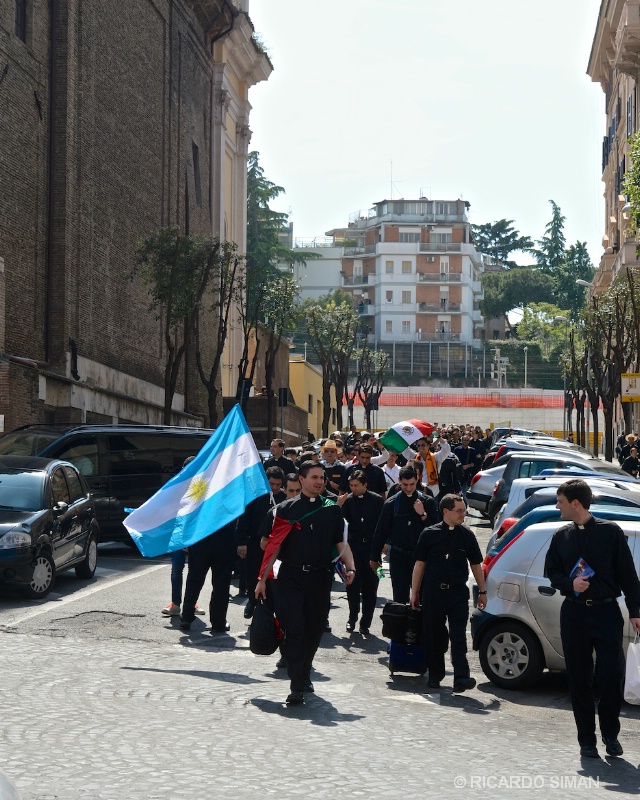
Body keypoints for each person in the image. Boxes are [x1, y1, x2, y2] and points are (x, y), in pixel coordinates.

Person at [544, 479, 640, 758]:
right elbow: (552, 572)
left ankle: (611, 735)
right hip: (574, 614)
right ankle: (587, 740)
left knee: (611, 676)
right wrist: (569, 585)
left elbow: (628, 575)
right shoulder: (561, 536)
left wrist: (635, 611)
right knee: (578, 678)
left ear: (576, 503)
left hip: (607, 612)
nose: (557, 506)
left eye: (560, 501)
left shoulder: (611, 532)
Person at [255, 462, 356, 705]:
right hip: (291, 578)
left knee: (315, 628)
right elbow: (270, 546)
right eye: (314, 477)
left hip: (321, 578)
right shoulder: (285, 510)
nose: (320, 481)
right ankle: (296, 684)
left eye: (322, 477)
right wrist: (262, 579)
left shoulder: (332, 509)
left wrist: (350, 566)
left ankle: (304, 671)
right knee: (295, 629)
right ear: (302, 479)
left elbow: (341, 543)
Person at [410, 494, 487, 692]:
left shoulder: (467, 535)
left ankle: (461, 677)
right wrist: (414, 592)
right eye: (459, 511)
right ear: (446, 511)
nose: (463, 514)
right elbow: (420, 564)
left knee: (458, 636)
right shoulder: (429, 534)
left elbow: (476, 564)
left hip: (458, 594)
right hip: (434, 593)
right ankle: (435, 674)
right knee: (434, 635)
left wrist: (482, 591)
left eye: (464, 510)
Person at [370, 466, 439, 604]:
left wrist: (423, 514)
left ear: (417, 480)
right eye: (405, 485)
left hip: (421, 559)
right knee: (399, 601)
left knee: (421, 599)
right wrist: (374, 557)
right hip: (398, 558)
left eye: (412, 484)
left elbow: (436, 531)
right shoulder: (391, 504)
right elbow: (380, 532)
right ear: (399, 481)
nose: (408, 488)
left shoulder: (427, 501)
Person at [235, 466, 286, 620]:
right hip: (255, 543)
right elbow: (244, 519)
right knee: (252, 577)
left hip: (277, 547)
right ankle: (252, 601)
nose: (275, 488)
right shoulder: (255, 496)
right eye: (272, 484)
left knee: (274, 579)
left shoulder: (284, 498)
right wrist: (241, 542)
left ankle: (270, 609)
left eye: (278, 484)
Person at [338, 470, 385, 635]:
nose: (353, 489)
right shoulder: (348, 501)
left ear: (365, 485)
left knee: (371, 587)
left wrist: (384, 545)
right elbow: (342, 526)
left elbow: (383, 525)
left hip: (373, 550)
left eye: (356, 485)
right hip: (354, 550)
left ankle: (366, 622)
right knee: (352, 585)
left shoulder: (378, 501)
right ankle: (352, 618)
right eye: (351, 486)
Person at [162, 455, 205, 618]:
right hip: (179, 533)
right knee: (177, 569)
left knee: (193, 571)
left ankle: (190, 603)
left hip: (192, 534)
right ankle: (176, 603)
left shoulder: (201, 488)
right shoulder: (176, 487)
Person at [453, 435, 477, 501]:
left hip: (467, 474)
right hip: (458, 474)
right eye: (464, 440)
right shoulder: (457, 449)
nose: (465, 441)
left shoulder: (472, 450)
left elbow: (474, 463)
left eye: (467, 440)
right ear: (461, 441)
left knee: (465, 491)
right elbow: (454, 461)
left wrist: (468, 466)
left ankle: (465, 506)